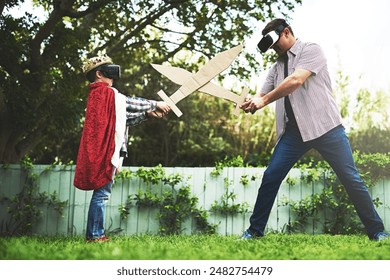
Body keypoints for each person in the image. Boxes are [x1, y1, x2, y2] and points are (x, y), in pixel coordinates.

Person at [239, 18, 389, 241]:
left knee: (351, 178)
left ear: (287, 32)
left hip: (326, 127)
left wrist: (264, 100)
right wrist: (253, 101)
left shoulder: (311, 50)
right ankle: (254, 231)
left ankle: (377, 231)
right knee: (271, 177)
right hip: (293, 134)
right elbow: (263, 94)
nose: (274, 49)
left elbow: (296, 80)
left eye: (275, 43)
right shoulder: (276, 67)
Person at [74, 54, 170, 242]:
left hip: (103, 150)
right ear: (99, 74)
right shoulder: (105, 93)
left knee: (101, 194)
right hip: (105, 151)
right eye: (107, 70)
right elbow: (128, 103)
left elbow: (121, 118)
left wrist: (147, 114)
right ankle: (94, 235)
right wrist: (155, 103)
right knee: (101, 195)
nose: (113, 74)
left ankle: (95, 234)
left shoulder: (101, 95)